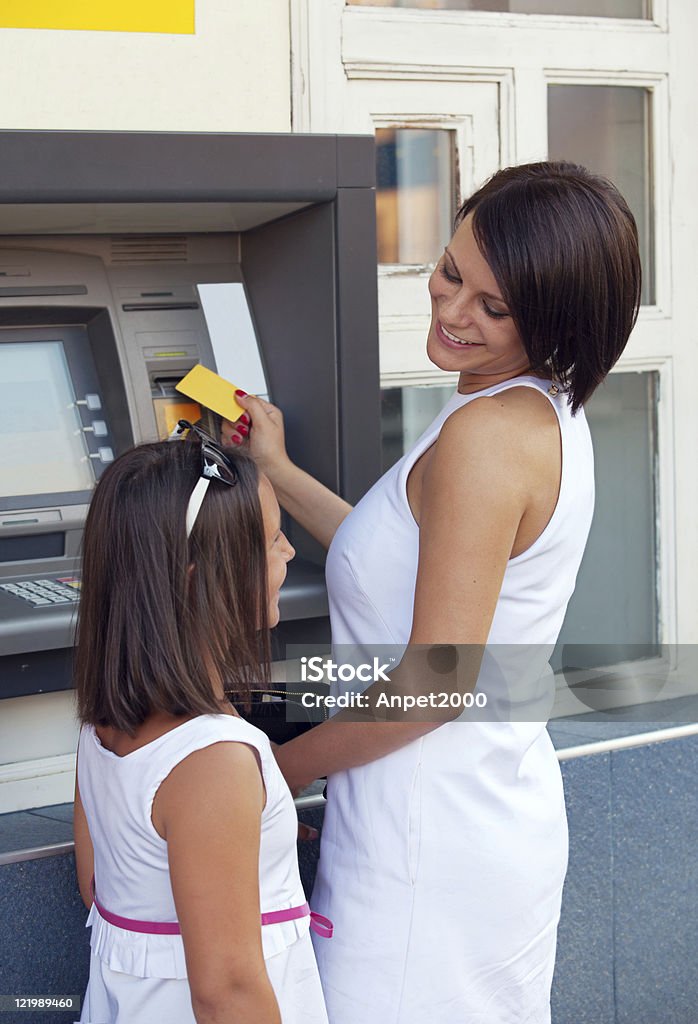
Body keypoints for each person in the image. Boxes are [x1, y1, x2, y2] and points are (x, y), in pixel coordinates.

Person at [231, 161, 642, 1024]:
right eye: (453, 273)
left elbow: (432, 685)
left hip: (428, 845)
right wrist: (278, 472)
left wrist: (270, 777)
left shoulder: (487, 440)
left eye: (494, 309)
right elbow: (396, 568)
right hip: (465, 812)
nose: (454, 313)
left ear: (557, 318)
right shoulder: (534, 409)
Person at [72, 427, 329, 1024]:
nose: (289, 552)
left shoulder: (103, 720)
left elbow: (100, 887)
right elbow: (228, 993)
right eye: (270, 541)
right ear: (198, 579)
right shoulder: (214, 759)